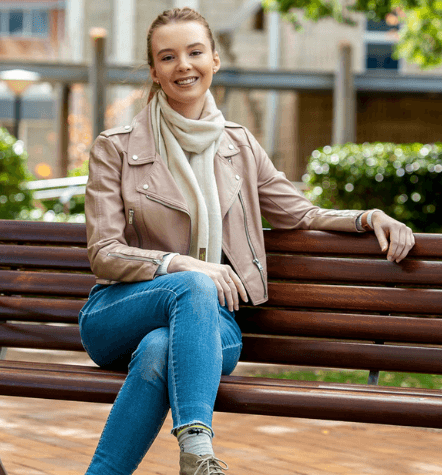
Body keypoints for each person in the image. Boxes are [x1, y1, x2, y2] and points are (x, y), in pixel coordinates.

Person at [79, 7, 415, 475]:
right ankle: (198, 447)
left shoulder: (239, 145)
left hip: (215, 326)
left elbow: (300, 213)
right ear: (154, 71)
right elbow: (104, 253)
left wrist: (366, 217)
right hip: (119, 311)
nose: (184, 65)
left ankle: (173, 463)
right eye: (168, 57)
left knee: (159, 348)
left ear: (214, 60)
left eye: (195, 52)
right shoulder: (115, 147)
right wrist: (182, 264)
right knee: (193, 285)